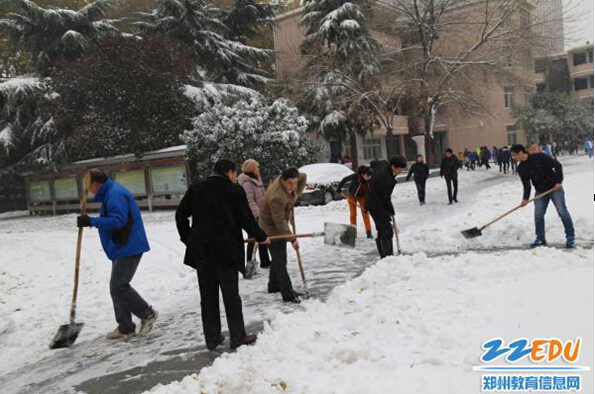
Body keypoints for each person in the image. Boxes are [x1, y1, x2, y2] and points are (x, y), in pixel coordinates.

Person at [175, 159, 269, 351]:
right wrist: (261, 237)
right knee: (231, 296)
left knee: (208, 298)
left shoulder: (196, 189)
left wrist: (189, 239)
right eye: (234, 174)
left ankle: (212, 338)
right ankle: (237, 336)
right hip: (227, 252)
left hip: (202, 253)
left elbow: (180, 215)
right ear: (230, 172)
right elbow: (246, 219)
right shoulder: (234, 191)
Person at [76, 169, 157, 340]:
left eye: (88, 186)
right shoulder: (111, 193)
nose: (87, 190)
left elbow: (118, 220)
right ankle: (125, 326)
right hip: (123, 246)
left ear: (96, 184)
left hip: (129, 246)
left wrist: (91, 221)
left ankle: (147, 314)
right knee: (116, 287)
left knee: (119, 286)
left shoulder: (114, 194)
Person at [510, 145, 575, 248]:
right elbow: (526, 185)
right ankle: (540, 238)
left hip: (554, 188)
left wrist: (559, 181)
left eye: (514, 155)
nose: (513, 158)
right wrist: (525, 198)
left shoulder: (540, 157)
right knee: (538, 215)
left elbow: (557, 165)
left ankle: (570, 237)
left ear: (521, 152)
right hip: (540, 191)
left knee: (562, 211)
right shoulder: (521, 168)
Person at [259, 167, 307, 303]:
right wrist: (292, 239)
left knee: (278, 256)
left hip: (278, 223)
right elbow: (279, 223)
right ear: (282, 180)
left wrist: (297, 192)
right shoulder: (277, 197)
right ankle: (287, 293)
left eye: (295, 183)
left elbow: (303, 175)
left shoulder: (291, 182)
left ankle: (273, 285)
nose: (292, 186)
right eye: (290, 183)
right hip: (270, 228)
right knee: (280, 259)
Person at [365, 156, 407, 258]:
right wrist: (390, 211)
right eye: (399, 169)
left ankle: (386, 256)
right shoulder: (386, 178)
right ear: (393, 166)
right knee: (386, 229)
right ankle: (387, 256)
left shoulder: (385, 168)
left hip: (376, 201)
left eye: (402, 169)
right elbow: (385, 197)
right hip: (375, 204)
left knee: (383, 229)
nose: (401, 171)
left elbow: (375, 163)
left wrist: (389, 211)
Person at [238, 159, 271, 269]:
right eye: (257, 167)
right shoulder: (247, 183)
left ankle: (265, 261)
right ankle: (249, 263)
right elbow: (249, 201)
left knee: (262, 236)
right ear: (252, 169)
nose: (259, 169)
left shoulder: (257, 179)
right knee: (253, 238)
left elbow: (263, 195)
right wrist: (257, 215)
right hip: (253, 216)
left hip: (262, 214)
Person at [336, 165, 374, 238]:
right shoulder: (355, 176)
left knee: (365, 213)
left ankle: (368, 232)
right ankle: (353, 231)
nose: (369, 177)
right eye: (367, 176)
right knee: (353, 214)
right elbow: (345, 179)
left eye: (370, 176)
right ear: (363, 174)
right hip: (352, 196)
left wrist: (368, 205)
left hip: (362, 197)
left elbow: (370, 193)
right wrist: (339, 188)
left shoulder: (370, 180)